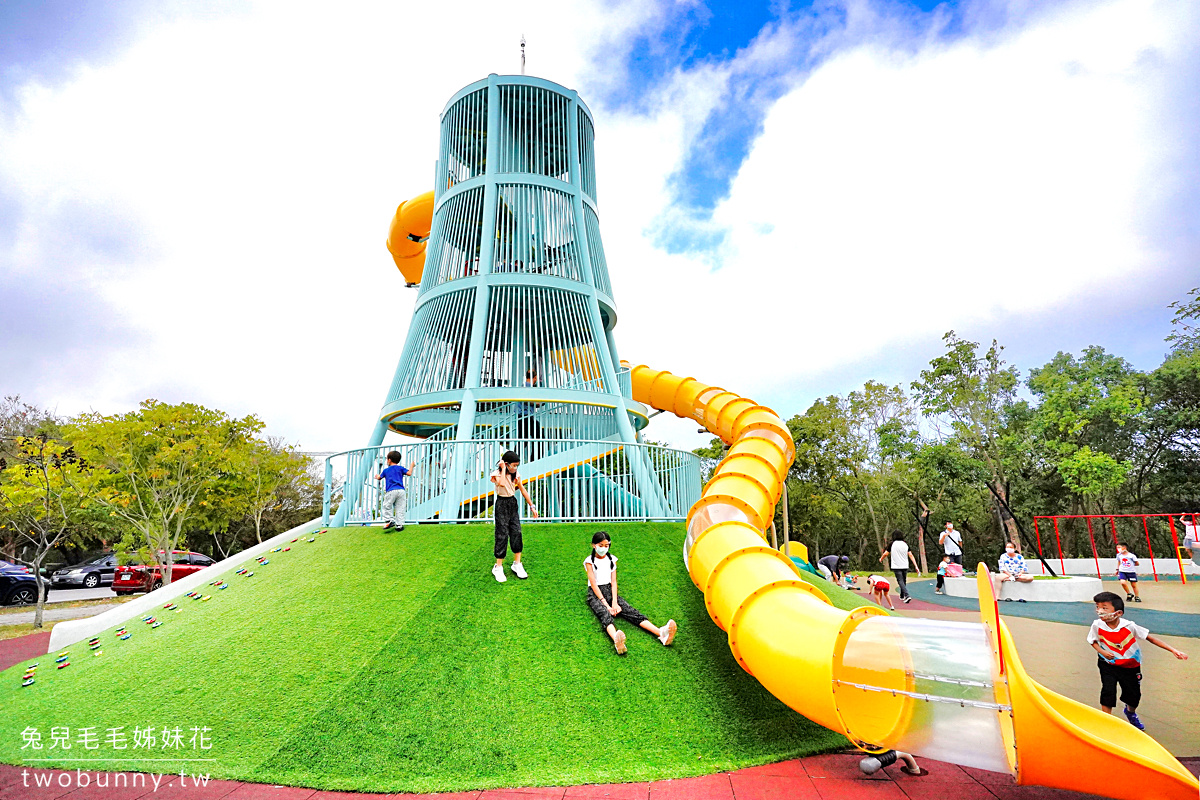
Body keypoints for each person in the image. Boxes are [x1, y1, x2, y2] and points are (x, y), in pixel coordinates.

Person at [1088, 591, 1188, 730]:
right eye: (1097, 607)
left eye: (1104, 608)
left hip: (1130, 666)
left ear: (1118, 613)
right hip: (1108, 663)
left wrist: (1173, 650)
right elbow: (1093, 641)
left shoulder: (1129, 626)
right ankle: (1107, 721)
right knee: (1108, 690)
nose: (1100, 611)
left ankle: (1130, 712)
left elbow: (1151, 638)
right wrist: (1103, 652)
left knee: (1133, 695)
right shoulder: (1097, 625)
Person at [584, 531, 677, 654]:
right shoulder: (589, 561)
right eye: (601, 545)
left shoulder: (612, 559)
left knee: (630, 611)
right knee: (604, 614)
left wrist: (615, 602)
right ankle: (617, 641)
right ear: (593, 545)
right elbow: (594, 584)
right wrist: (607, 605)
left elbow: (614, 582)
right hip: (595, 594)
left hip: (609, 590)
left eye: (606, 546)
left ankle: (660, 633)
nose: (603, 548)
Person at [490, 450, 538, 583]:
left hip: (512, 503)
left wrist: (532, 506)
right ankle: (498, 567)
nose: (515, 468)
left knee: (516, 531)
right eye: (513, 465)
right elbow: (502, 484)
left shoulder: (516, 474)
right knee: (502, 534)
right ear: (506, 464)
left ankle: (517, 564)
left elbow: (522, 489)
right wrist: (504, 469)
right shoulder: (497, 474)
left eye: (517, 465)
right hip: (501, 504)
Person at [375, 451, 413, 531]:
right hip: (401, 491)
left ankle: (390, 520)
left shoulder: (386, 470)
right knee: (400, 507)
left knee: (387, 505)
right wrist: (412, 466)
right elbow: (409, 473)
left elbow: (379, 477)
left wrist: (377, 476)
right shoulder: (400, 468)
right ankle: (399, 525)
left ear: (389, 460)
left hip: (391, 491)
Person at [879, 531, 919, 604]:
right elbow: (911, 555)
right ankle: (902, 595)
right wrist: (916, 566)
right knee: (903, 580)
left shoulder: (892, 544)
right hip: (905, 565)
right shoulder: (905, 544)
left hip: (896, 565)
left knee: (900, 581)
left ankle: (907, 595)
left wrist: (881, 558)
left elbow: (886, 553)